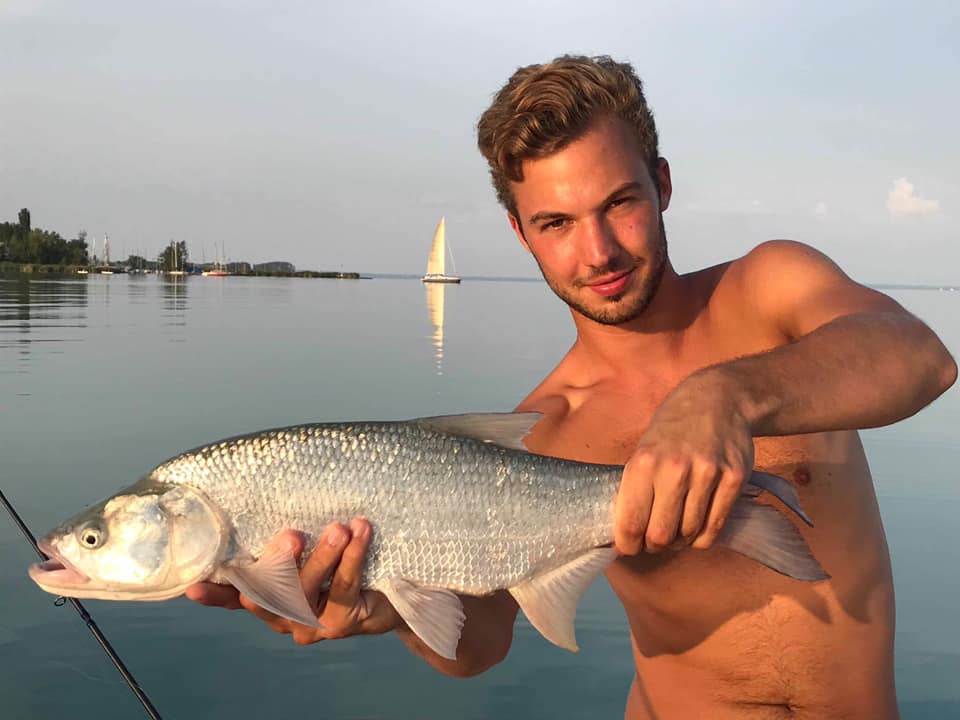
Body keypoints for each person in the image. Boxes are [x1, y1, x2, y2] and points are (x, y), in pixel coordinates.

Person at [187, 55, 957, 718]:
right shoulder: (543, 429)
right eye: (556, 223)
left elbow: (919, 356)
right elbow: (481, 642)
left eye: (619, 202)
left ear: (661, 184)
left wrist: (726, 396)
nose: (598, 252)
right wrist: (387, 611)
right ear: (521, 233)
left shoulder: (769, 289)